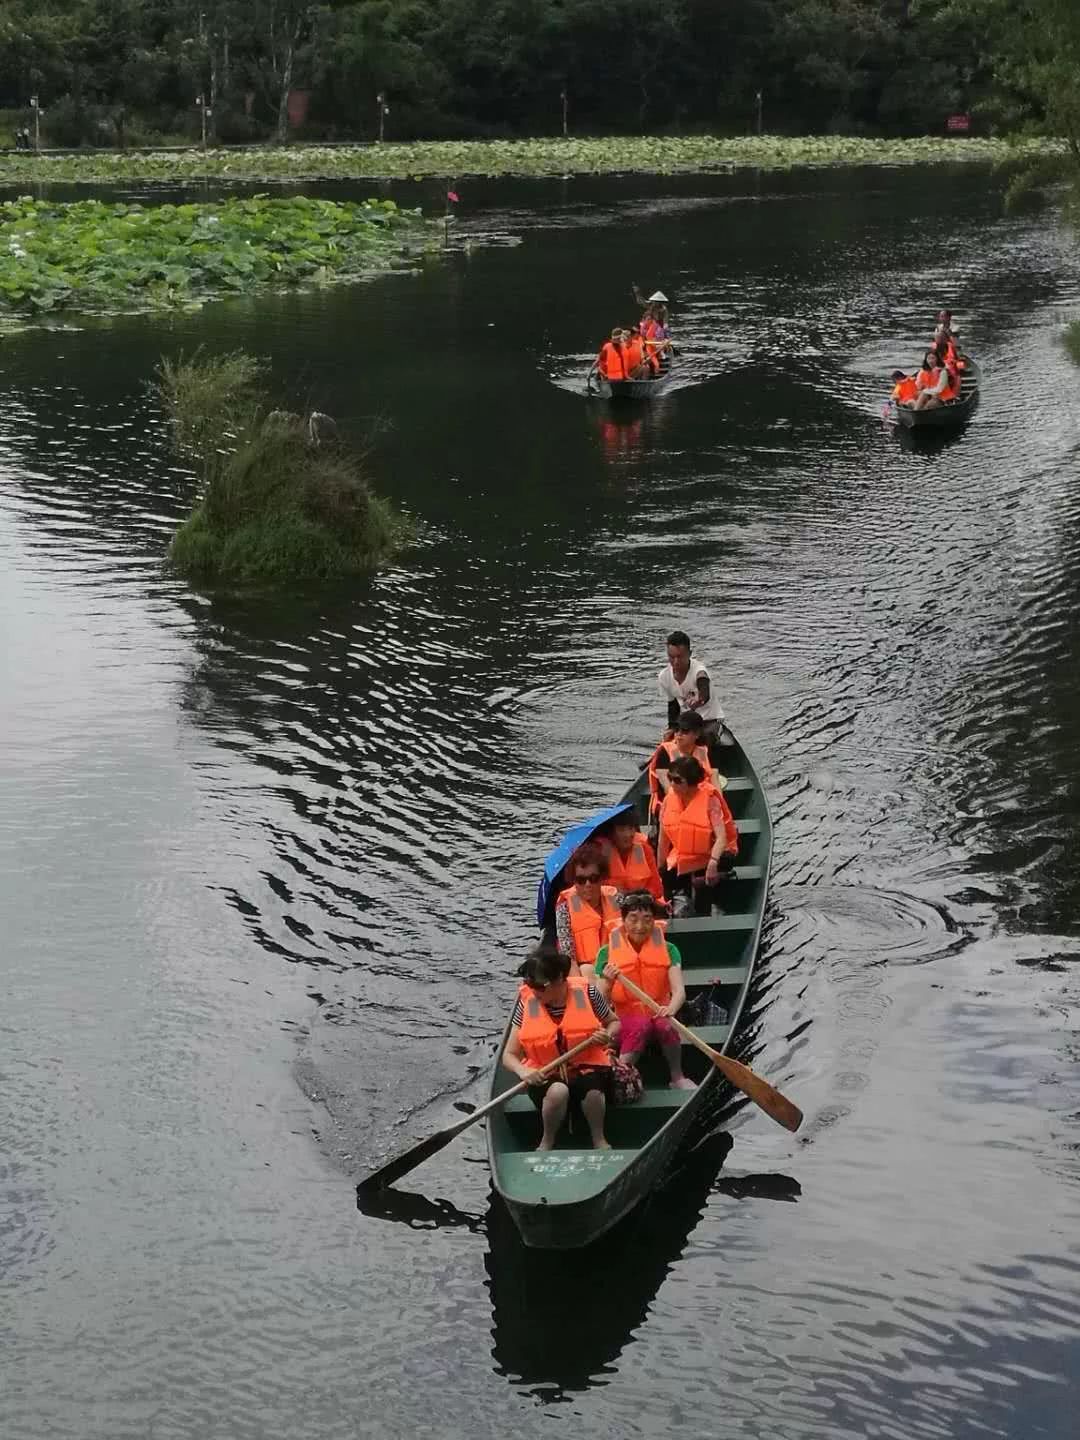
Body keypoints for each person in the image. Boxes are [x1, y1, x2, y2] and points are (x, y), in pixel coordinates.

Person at [503, 943, 619, 1151]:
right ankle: (547, 1141)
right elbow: (509, 1055)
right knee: (557, 1091)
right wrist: (523, 1071)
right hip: (547, 1073)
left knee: (592, 1092)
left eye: (539, 986)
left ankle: (599, 1139)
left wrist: (606, 1036)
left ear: (558, 979)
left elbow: (614, 1022)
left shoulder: (588, 993)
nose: (533, 991)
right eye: (530, 984)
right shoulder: (527, 1002)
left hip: (587, 1068)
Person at [594, 891, 694, 1090]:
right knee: (640, 1025)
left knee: (666, 1026)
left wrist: (671, 1009)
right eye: (633, 919)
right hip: (624, 1017)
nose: (640, 926)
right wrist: (607, 980)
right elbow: (598, 1000)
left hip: (659, 1011)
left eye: (647, 919)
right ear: (623, 921)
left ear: (654, 921)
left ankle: (677, 1076)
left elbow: (679, 991)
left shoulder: (669, 949)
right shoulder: (606, 953)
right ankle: (621, 1076)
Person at [659, 755, 739, 917]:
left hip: (711, 855)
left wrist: (713, 863)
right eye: (670, 779)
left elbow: (722, 838)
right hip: (684, 855)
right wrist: (659, 871)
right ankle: (671, 910)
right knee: (666, 881)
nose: (672, 784)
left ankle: (706, 912)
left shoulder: (710, 801)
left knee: (702, 889)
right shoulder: (669, 800)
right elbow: (663, 839)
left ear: (690, 781)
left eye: (677, 780)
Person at [554, 841, 621, 976]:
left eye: (593, 878)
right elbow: (569, 958)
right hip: (586, 973)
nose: (588, 884)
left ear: (602, 878)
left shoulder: (616, 898)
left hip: (617, 968)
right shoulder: (564, 908)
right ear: (574, 881)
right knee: (586, 970)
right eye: (581, 880)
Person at [657, 629, 730, 751]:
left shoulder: (699, 670)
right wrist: (672, 728)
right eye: (671, 657)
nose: (675, 662)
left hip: (709, 721)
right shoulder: (664, 676)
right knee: (669, 742)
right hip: (687, 724)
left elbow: (703, 686)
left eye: (680, 657)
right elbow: (673, 705)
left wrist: (699, 698)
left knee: (700, 741)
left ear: (689, 654)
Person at [648, 709, 719, 814]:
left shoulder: (704, 751)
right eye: (677, 730)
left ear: (697, 734)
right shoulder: (665, 751)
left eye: (685, 731)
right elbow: (666, 785)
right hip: (672, 803)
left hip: (700, 799)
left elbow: (713, 778)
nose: (679, 734)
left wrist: (718, 804)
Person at [597, 813, 665, 904]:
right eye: (621, 830)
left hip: (641, 905)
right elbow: (594, 889)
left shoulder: (645, 849)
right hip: (612, 906)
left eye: (631, 828)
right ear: (611, 833)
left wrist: (636, 897)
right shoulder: (599, 853)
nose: (628, 834)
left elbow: (657, 889)